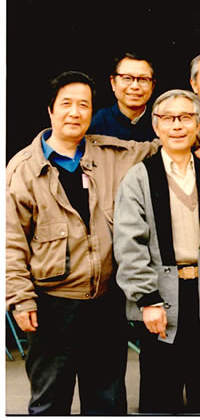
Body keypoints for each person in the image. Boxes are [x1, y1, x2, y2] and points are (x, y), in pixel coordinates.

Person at [6, 71, 159, 414]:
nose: (75, 112)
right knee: (49, 403)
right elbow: (10, 241)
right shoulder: (23, 169)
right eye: (66, 104)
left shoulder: (110, 154)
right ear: (50, 110)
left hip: (105, 303)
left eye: (84, 105)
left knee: (107, 401)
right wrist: (20, 299)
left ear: (92, 112)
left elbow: (166, 141)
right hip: (51, 306)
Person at [113, 90, 200, 413]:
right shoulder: (140, 177)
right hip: (161, 300)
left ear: (197, 125)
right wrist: (146, 299)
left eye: (186, 117)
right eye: (168, 118)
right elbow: (129, 243)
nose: (177, 125)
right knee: (160, 400)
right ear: (156, 126)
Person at [89, 52, 157, 141]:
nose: (135, 86)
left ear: (152, 86)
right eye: (127, 78)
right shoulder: (96, 122)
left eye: (143, 79)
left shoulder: (160, 122)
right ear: (113, 83)